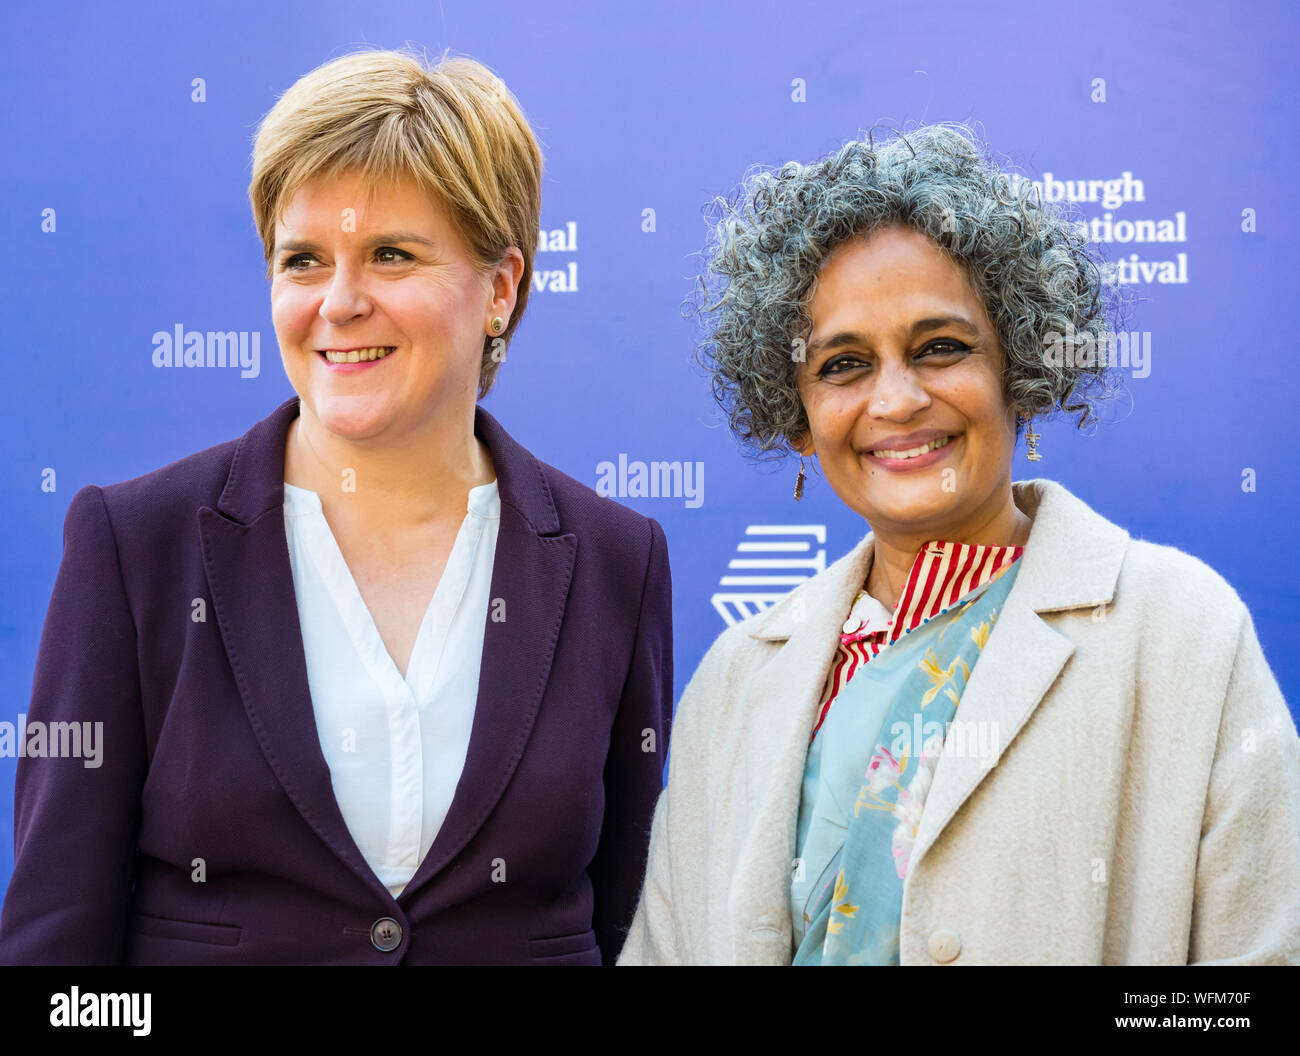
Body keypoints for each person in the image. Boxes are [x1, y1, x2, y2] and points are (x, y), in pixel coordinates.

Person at [0, 47, 672, 965]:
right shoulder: (135, 546)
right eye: (304, 260)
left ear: (502, 289)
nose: (339, 302)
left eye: (390, 254)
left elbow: (633, 927)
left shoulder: (615, 560)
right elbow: (54, 956)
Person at [619, 123, 1300, 965]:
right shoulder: (737, 678)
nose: (897, 401)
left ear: (1020, 370)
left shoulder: (1181, 633)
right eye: (842, 365)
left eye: (941, 348)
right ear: (796, 419)